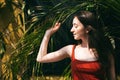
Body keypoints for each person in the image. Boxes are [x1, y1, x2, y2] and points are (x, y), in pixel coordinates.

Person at [36, 11, 116, 80]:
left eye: (76, 26)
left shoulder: (105, 52)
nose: (71, 30)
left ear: (87, 29)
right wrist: (47, 34)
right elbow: (41, 58)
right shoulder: (71, 50)